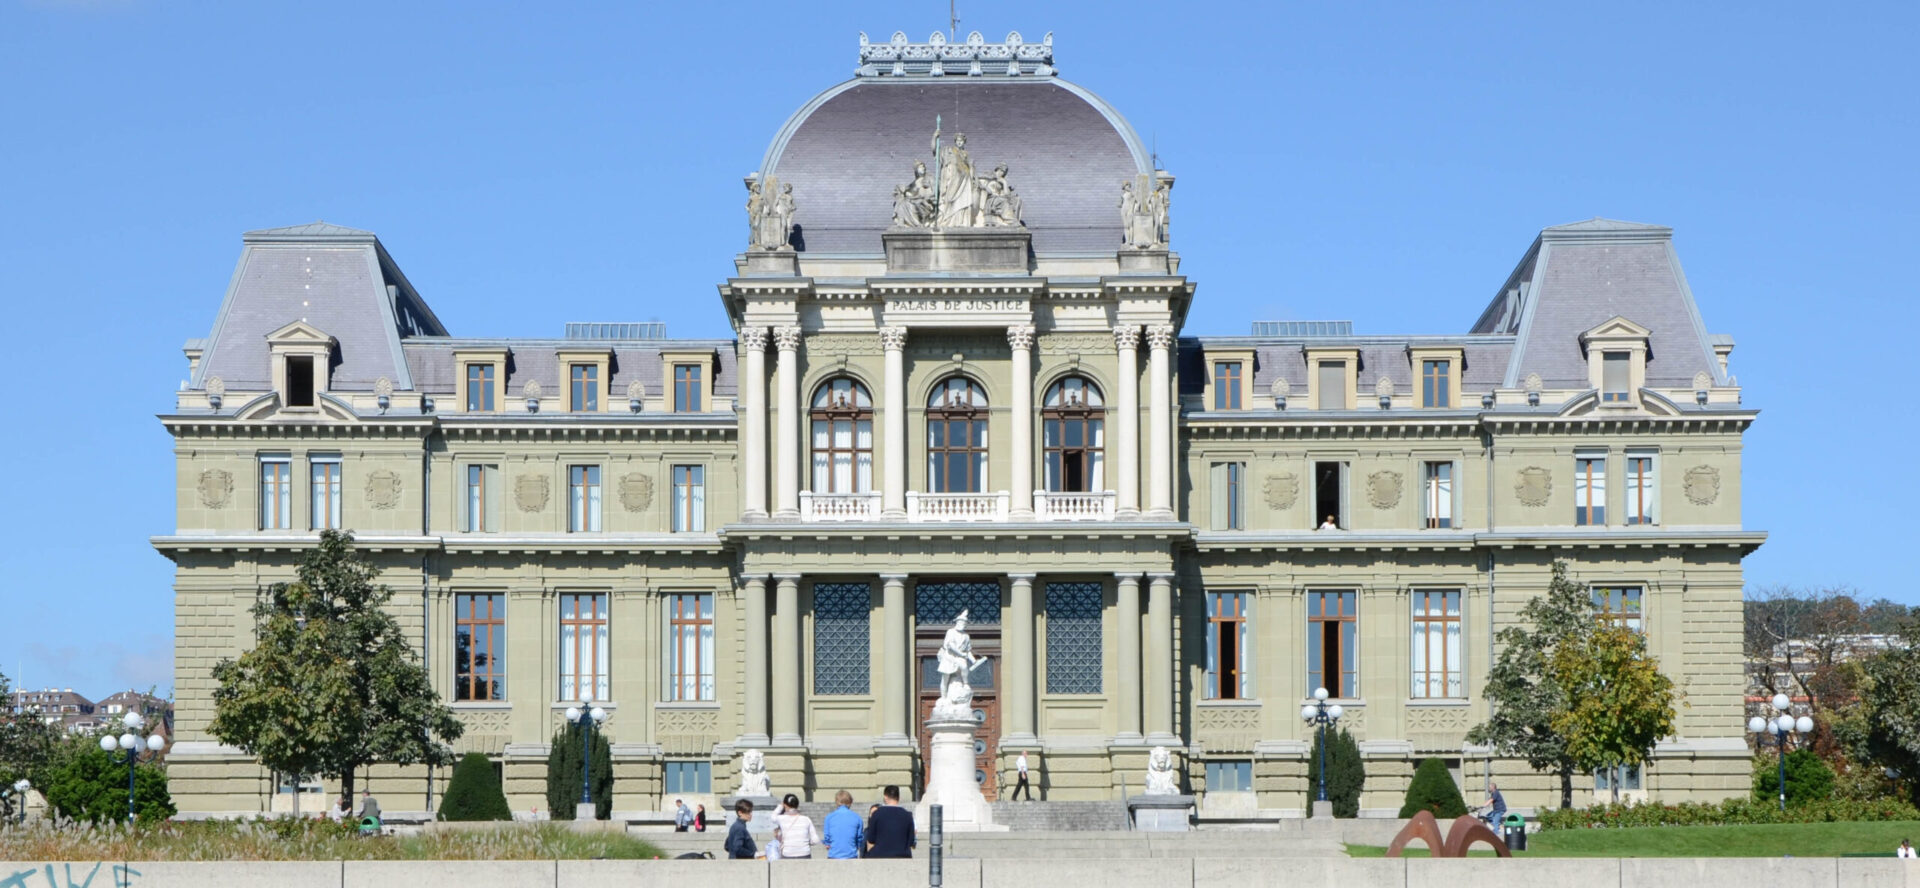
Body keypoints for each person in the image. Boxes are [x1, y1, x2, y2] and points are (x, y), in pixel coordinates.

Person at [864, 785, 916, 859]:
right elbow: (911, 841)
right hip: (903, 855)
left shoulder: (877, 814)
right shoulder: (907, 815)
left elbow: (871, 839)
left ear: (885, 797)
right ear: (898, 798)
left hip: (879, 854)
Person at [771, 793, 819, 859]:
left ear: (785, 805)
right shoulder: (806, 819)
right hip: (805, 854)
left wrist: (780, 806)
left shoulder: (781, 819)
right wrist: (806, 842)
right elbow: (816, 840)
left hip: (788, 854)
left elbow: (773, 816)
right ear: (797, 805)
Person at [822, 790, 863, 860]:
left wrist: (827, 843)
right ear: (850, 802)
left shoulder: (829, 817)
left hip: (834, 854)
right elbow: (859, 837)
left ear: (837, 802)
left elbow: (827, 836)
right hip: (851, 854)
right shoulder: (857, 817)